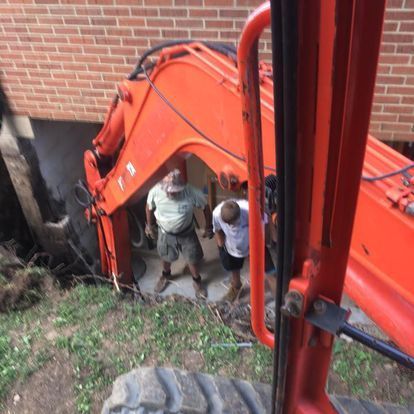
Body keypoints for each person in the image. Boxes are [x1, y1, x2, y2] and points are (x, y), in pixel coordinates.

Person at [145, 169, 213, 299]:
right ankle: (165, 275)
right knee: (165, 256)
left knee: (192, 258)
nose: (171, 193)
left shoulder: (192, 192)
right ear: (163, 187)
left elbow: (206, 208)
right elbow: (149, 207)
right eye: (168, 190)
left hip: (187, 232)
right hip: (165, 232)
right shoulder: (155, 191)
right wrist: (150, 225)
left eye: (175, 190)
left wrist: (208, 226)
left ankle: (197, 282)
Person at [212, 199, 250, 302]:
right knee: (233, 266)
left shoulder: (249, 210)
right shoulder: (216, 213)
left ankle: (256, 289)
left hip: (250, 243)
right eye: (227, 223)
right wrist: (221, 246)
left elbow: (263, 224)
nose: (230, 226)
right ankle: (236, 286)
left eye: (233, 223)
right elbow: (217, 230)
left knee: (255, 267)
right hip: (231, 245)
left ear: (239, 215)